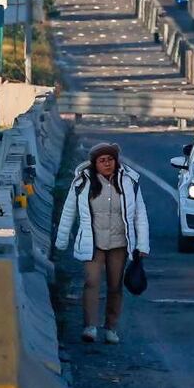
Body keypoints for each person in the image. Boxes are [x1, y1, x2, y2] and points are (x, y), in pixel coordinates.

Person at [55, 143, 150, 344]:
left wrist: (142, 245)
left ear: (116, 161)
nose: (107, 164)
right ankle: (90, 327)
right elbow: (69, 210)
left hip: (119, 244)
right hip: (92, 243)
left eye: (110, 159)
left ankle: (111, 328)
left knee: (115, 286)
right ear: (94, 164)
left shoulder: (129, 181)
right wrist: (61, 241)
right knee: (91, 282)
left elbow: (140, 214)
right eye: (102, 160)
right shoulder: (82, 182)